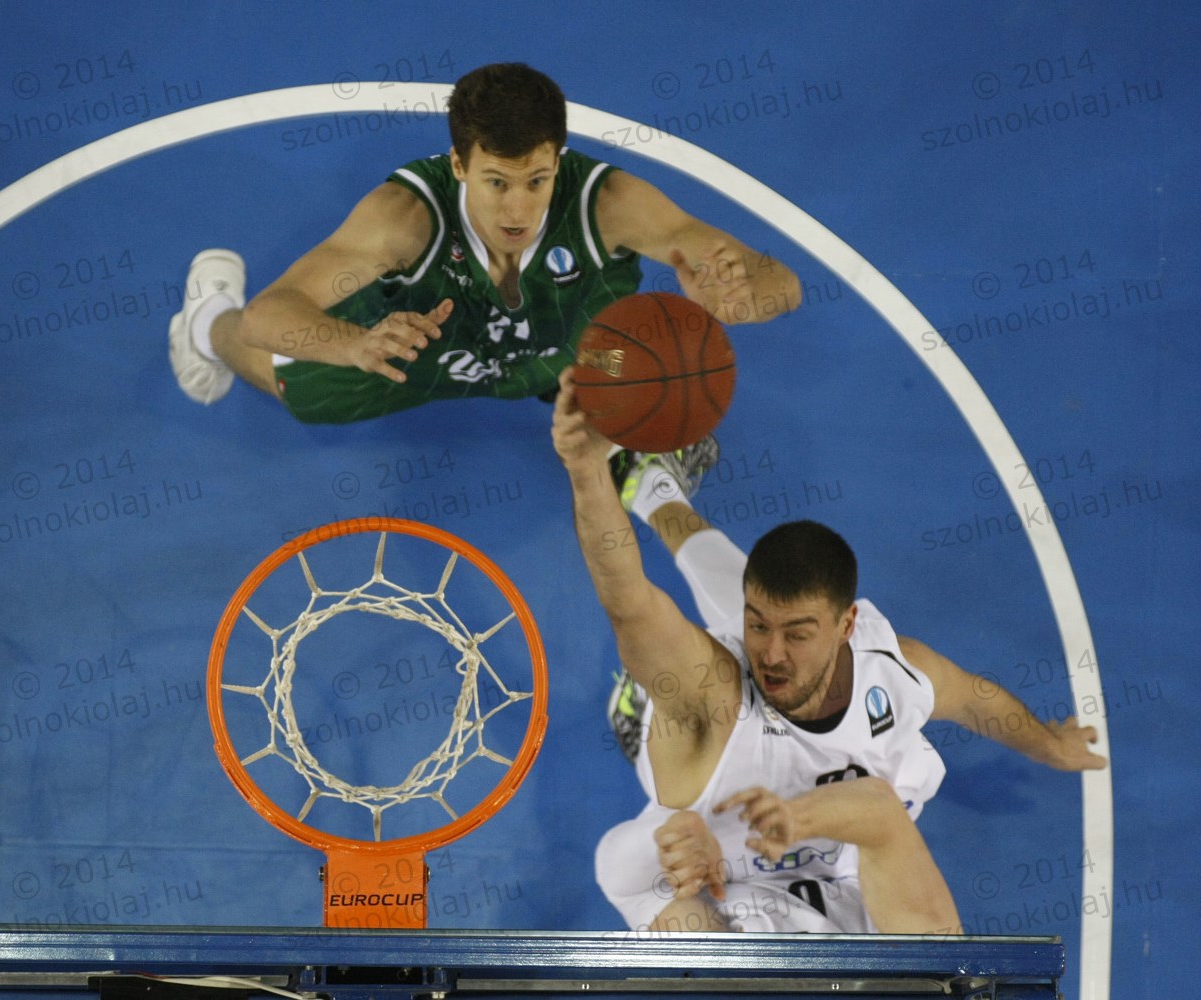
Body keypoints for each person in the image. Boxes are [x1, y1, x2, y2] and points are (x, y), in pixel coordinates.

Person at [550, 369, 1107, 933]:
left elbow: (969, 698)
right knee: (712, 652)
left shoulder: (891, 671)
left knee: (742, 607)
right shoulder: (718, 689)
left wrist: (1048, 745)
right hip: (719, 772)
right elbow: (628, 603)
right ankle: (652, 520)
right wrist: (586, 471)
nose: (772, 653)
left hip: (813, 871)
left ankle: (652, 488)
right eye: (759, 626)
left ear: (847, 625)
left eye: (797, 633)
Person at [167, 63, 801, 423]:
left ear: (559, 159)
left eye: (537, 179)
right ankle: (204, 319)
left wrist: (742, 299)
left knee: (657, 375)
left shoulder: (610, 204)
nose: (518, 209)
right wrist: (354, 343)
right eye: (497, 181)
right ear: (460, 165)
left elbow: (783, 283)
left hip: (566, 346)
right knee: (284, 381)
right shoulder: (405, 219)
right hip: (413, 359)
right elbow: (268, 317)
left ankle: (613, 442)